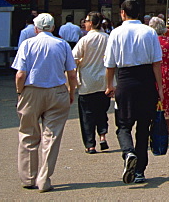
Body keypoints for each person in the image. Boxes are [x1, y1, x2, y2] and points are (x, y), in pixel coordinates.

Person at [11, 13, 77, 193]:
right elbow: (71, 73)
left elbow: (20, 74)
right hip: (57, 91)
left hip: (32, 90)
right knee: (52, 137)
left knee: (28, 134)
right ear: (53, 28)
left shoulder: (27, 44)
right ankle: (44, 178)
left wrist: (19, 91)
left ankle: (28, 177)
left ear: (36, 28)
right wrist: (71, 92)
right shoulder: (62, 44)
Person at [104, 0, 163, 185]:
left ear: (122, 13)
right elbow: (157, 63)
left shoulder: (115, 33)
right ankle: (139, 171)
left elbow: (110, 65)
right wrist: (160, 88)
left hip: (125, 81)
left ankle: (128, 152)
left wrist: (109, 86)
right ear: (139, 12)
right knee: (144, 128)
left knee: (123, 125)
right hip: (146, 81)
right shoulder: (150, 32)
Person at [73, 11, 110, 154]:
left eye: (87, 21)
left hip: (87, 82)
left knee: (87, 115)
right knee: (102, 111)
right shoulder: (107, 38)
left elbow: (74, 58)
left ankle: (90, 144)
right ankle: (102, 136)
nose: (85, 23)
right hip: (104, 81)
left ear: (92, 23)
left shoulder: (85, 40)